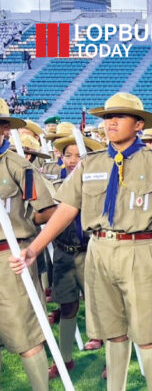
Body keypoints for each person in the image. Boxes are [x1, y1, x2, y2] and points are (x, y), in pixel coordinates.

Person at [10, 92, 152, 391]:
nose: (111, 122)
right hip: (100, 249)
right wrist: (35, 248)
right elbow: (67, 208)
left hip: (141, 249)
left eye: (119, 116)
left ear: (138, 125)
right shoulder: (90, 163)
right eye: (108, 117)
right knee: (113, 332)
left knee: (147, 333)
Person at [0, 98, 57, 391]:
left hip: (9, 257)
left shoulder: (18, 166)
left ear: (5, 129)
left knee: (25, 331)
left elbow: (47, 208)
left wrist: (22, 225)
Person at [47, 134, 106, 378]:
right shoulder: (56, 185)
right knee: (67, 305)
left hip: (90, 250)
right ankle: (64, 359)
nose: (73, 160)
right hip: (63, 253)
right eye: (68, 155)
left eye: (78, 155)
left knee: (101, 304)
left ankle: (109, 356)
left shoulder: (96, 186)